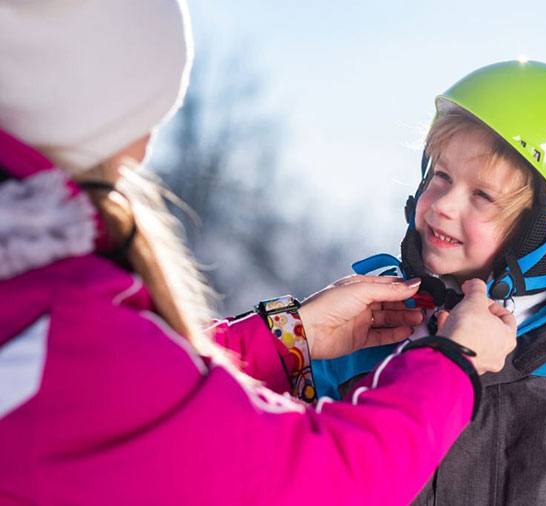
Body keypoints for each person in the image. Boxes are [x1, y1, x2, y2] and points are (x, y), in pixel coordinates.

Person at [0, 2, 519, 504]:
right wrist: (455, 362)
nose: (141, 153)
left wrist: (291, 337)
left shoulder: (35, 312)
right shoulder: (61, 336)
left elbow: (160, 405)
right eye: (134, 122)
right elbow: (320, 480)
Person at [313, 61, 546, 505]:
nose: (443, 204)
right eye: (441, 176)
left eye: (482, 195)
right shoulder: (359, 328)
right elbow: (295, 471)